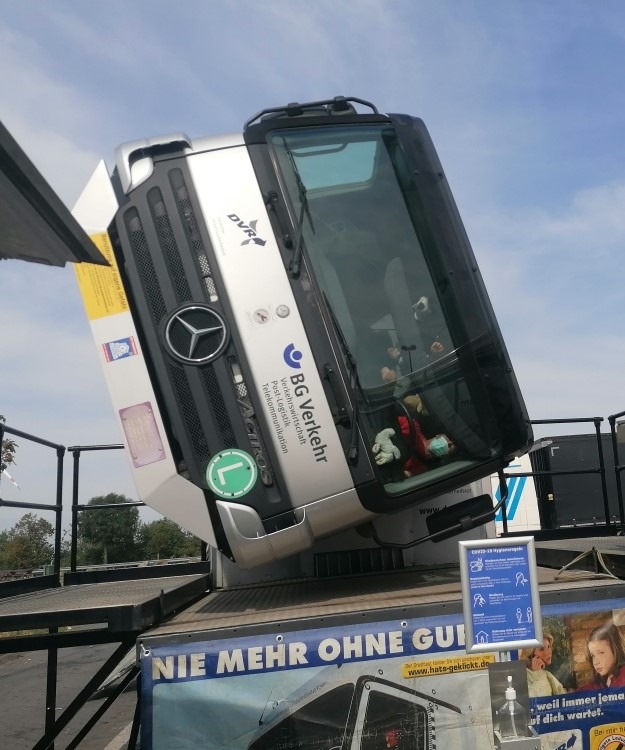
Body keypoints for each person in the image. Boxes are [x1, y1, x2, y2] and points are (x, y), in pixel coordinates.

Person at [580, 622, 625, 690]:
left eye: (601, 653)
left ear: (616, 649)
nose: (596, 662)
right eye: (593, 656)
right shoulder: (606, 678)